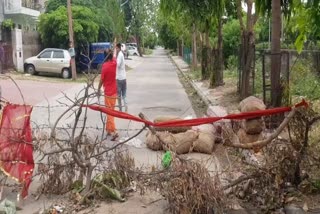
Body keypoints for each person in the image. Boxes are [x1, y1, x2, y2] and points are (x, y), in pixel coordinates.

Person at [98, 46, 119, 141]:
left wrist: (98, 89)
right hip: (114, 92)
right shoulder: (115, 63)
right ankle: (108, 130)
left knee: (109, 112)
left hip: (108, 93)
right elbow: (114, 55)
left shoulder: (104, 66)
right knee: (111, 111)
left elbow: (101, 80)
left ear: (105, 57)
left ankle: (114, 131)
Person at [115, 43, 127, 112]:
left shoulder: (119, 55)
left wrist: (115, 61)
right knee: (124, 94)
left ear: (118, 48)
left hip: (119, 78)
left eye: (116, 48)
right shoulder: (122, 54)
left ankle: (120, 109)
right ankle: (126, 106)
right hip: (124, 77)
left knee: (119, 95)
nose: (116, 50)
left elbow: (118, 64)